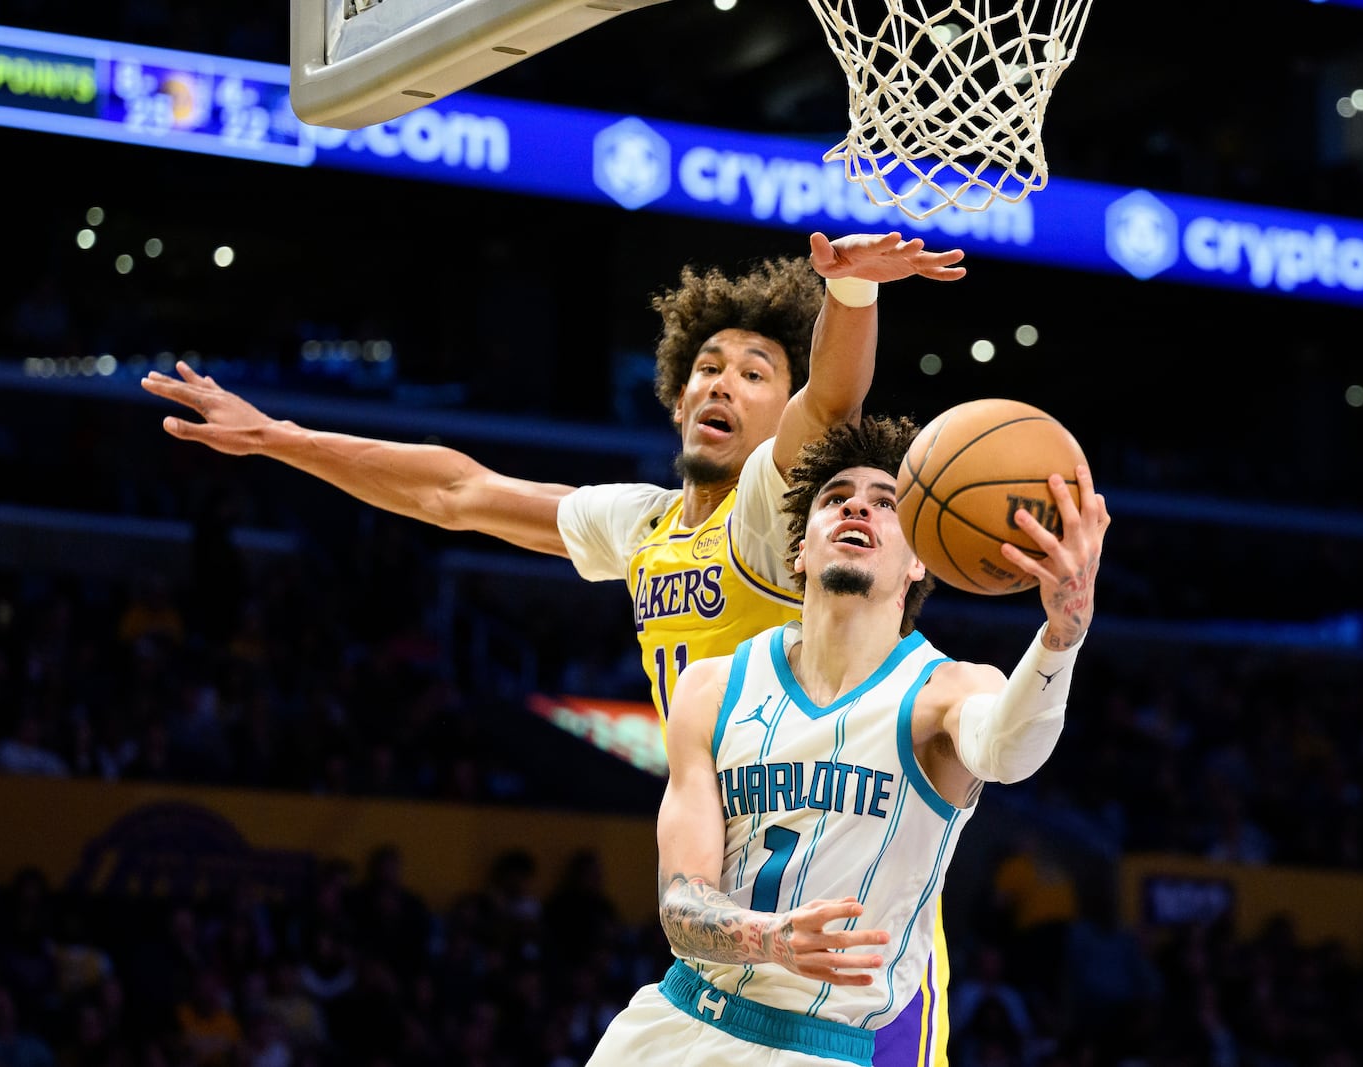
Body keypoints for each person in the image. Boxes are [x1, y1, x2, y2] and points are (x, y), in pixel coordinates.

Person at [141, 231, 969, 1067]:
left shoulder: (769, 510)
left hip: (858, 902)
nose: (723, 380)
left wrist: (851, 296)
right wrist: (280, 437)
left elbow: (830, 402)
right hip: (737, 879)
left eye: (757, 372)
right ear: (677, 398)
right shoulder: (644, 525)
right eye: (709, 366)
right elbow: (457, 490)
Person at [586, 415, 1108, 1066]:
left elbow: (1010, 748)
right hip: (674, 1027)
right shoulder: (712, 688)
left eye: (885, 502)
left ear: (921, 557)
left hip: (821, 1048)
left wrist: (1063, 633)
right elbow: (681, 907)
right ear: (798, 549)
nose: (857, 503)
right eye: (834, 497)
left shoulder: (945, 691)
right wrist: (768, 937)